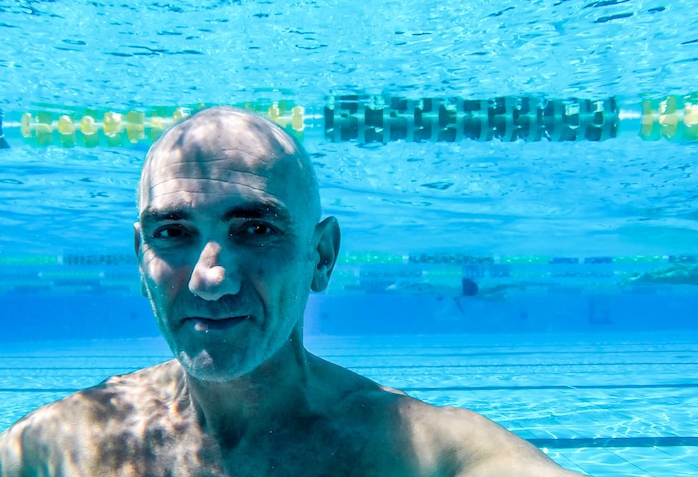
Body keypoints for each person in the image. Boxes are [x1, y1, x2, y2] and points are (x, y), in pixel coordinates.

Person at [0, 107, 587, 477]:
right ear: (141, 257)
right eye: (173, 233)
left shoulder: (427, 454)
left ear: (322, 256)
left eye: (255, 229)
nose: (210, 276)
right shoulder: (59, 445)